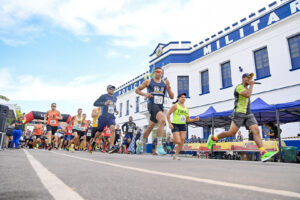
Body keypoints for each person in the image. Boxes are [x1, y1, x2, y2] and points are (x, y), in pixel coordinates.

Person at [206, 73, 278, 162]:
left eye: (251, 78)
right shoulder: (239, 87)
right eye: (248, 78)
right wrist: (251, 85)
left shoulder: (248, 88)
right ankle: (213, 138)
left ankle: (263, 153)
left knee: (256, 130)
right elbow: (247, 95)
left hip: (248, 114)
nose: (250, 79)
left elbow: (248, 93)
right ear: (243, 78)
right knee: (231, 133)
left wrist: (250, 85)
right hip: (238, 114)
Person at [135, 66, 174, 155]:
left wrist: (169, 87)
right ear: (154, 73)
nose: (158, 73)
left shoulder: (164, 83)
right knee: (163, 120)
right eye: (157, 71)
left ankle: (140, 143)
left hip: (160, 106)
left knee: (150, 128)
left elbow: (172, 97)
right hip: (152, 105)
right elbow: (137, 90)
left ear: (162, 73)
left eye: (160, 72)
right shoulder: (149, 81)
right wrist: (146, 95)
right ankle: (159, 146)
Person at [167, 93, 199, 160]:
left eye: (184, 97)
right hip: (175, 124)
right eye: (182, 97)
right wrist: (169, 123)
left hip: (183, 125)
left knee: (182, 141)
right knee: (178, 141)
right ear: (178, 98)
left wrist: (194, 120)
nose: (183, 98)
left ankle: (175, 155)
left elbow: (188, 119)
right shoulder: (175, 106)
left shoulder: (186, 108)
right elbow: (168, 114)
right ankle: (171, 137)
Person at [93, 84, 119, 153]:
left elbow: (113, 105)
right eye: (111, 89)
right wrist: (104, 103)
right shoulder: (103, 96)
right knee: (99, 132)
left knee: (113, 129)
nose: (112, 90)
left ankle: (111, 147)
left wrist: (115, 110)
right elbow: (95, 103)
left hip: (111, 117)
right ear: (107, 90)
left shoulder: (115, 98)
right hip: (103, 117)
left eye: (113, 89)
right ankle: (94, 140)